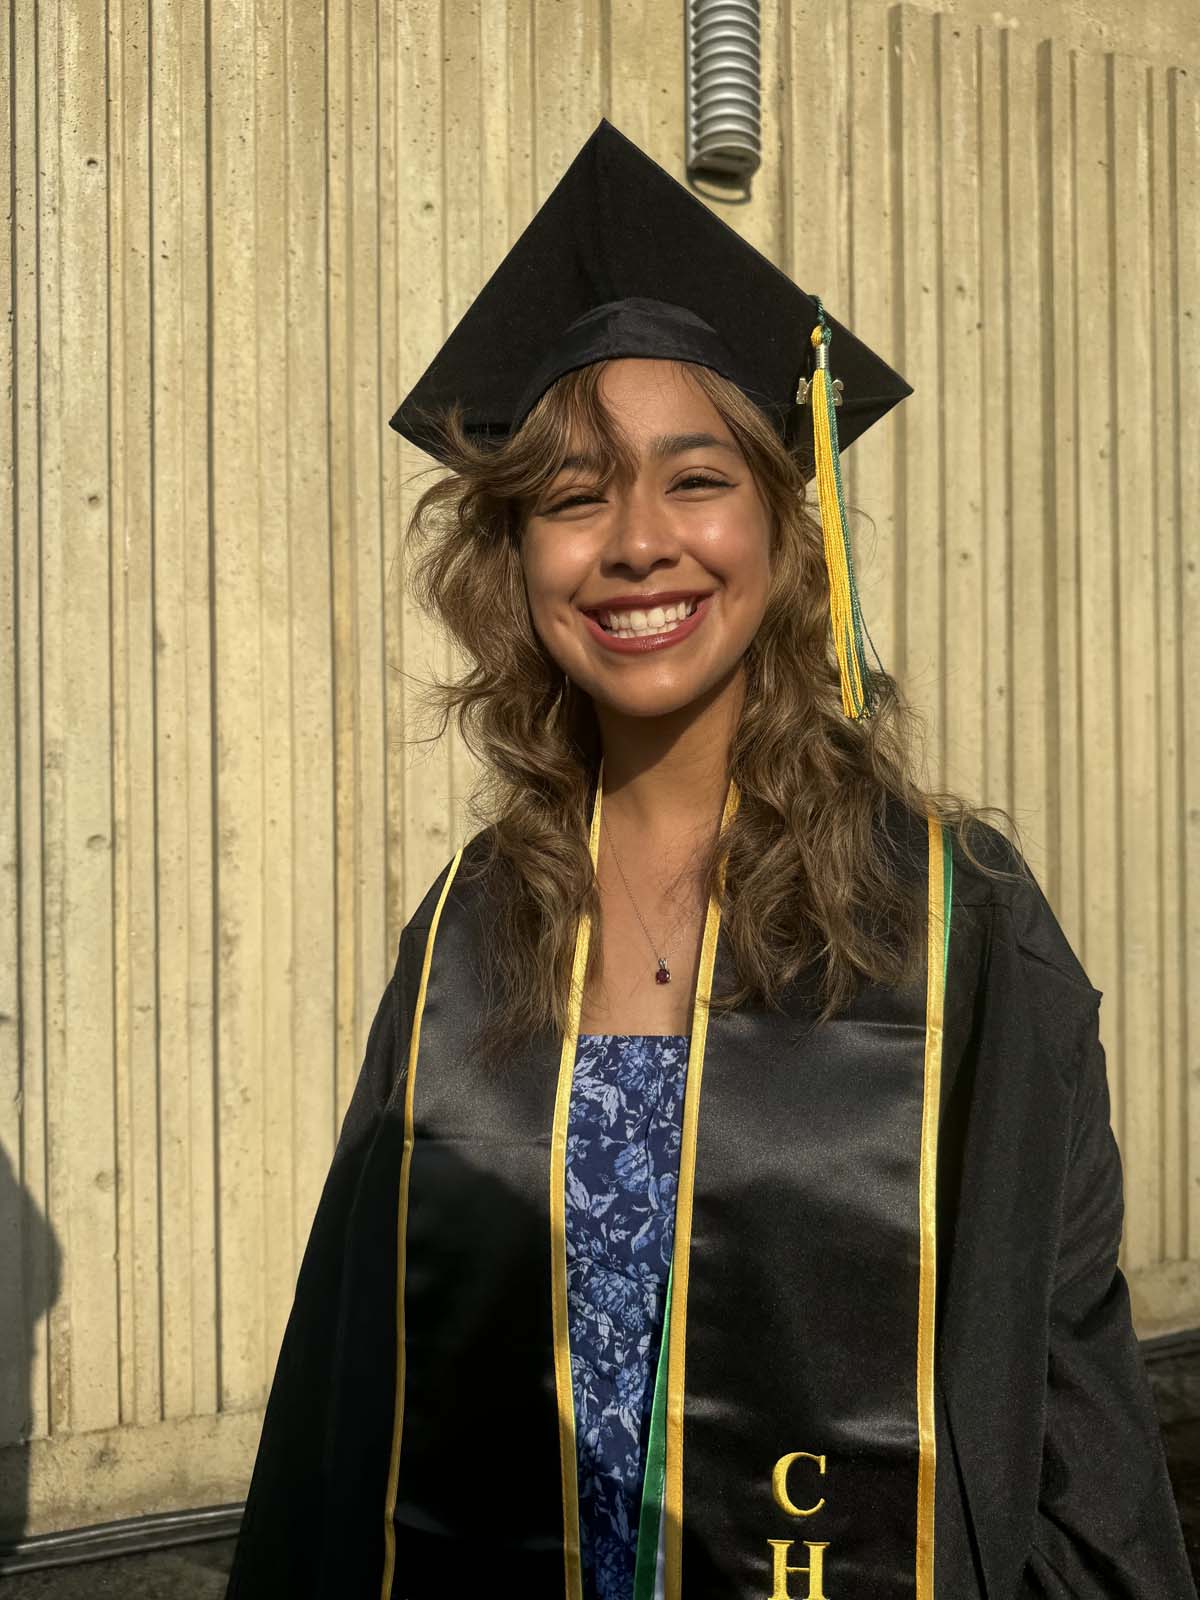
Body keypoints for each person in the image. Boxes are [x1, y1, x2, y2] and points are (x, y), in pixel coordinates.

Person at [224, 120, 1194, 1599]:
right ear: (515, 561)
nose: (634, 543)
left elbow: (1065, 1381)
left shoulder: (948, 917)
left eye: (695, 480)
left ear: (784, 531)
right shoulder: (472, 926)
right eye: (572, 496)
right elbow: (348, 1382)